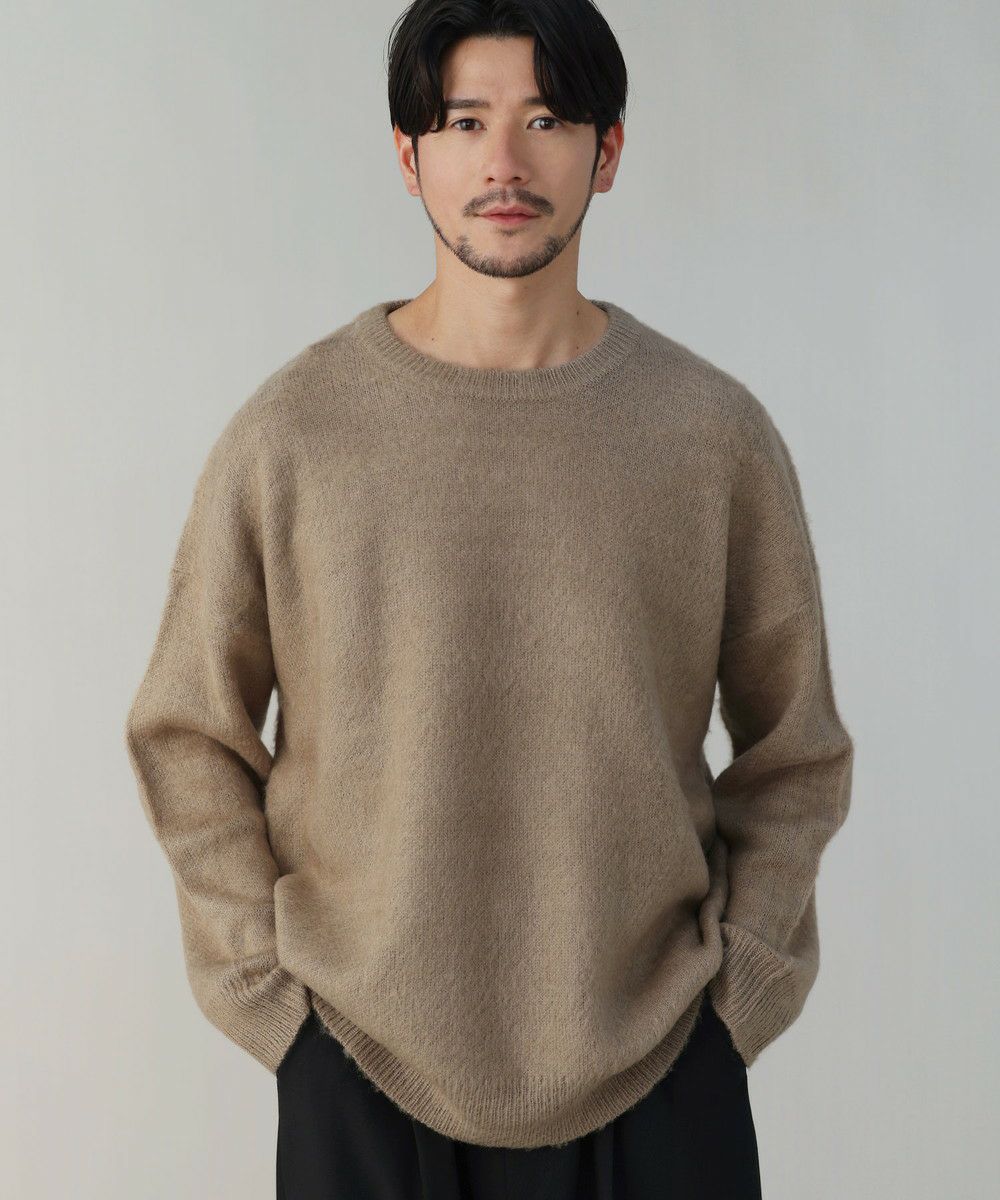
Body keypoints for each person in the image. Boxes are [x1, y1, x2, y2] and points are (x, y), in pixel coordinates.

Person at [123, 1, 854, 1196]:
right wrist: (275, 1005)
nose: (503, 162)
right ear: (407, 154)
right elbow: (185, 730)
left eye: (546, 119)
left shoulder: (710, 435)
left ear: (607, 151)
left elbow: (796, 749)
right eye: (464, 121)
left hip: (663, 1061)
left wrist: (737, 997)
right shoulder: (293, 434)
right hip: (360, 1063)